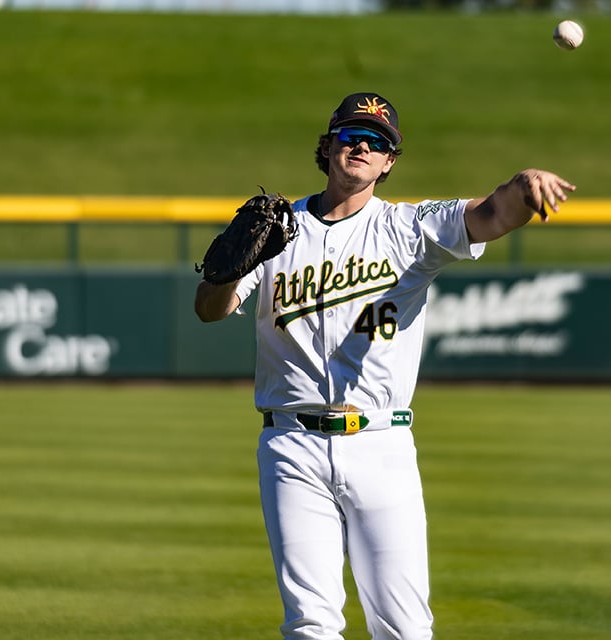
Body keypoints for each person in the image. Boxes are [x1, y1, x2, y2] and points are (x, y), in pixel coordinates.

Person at [194, 91, 575, 640]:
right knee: (310, 624)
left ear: (389, 162)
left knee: (403, 627)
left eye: (378, 143)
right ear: (327, 148)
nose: (363, 148)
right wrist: (227, 271)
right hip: (291, 445)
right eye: (352, 137)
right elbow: (209, 310)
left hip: (381, 443)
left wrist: (523, 185)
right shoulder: (276, 229)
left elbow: (490, 214)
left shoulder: (408, 229)